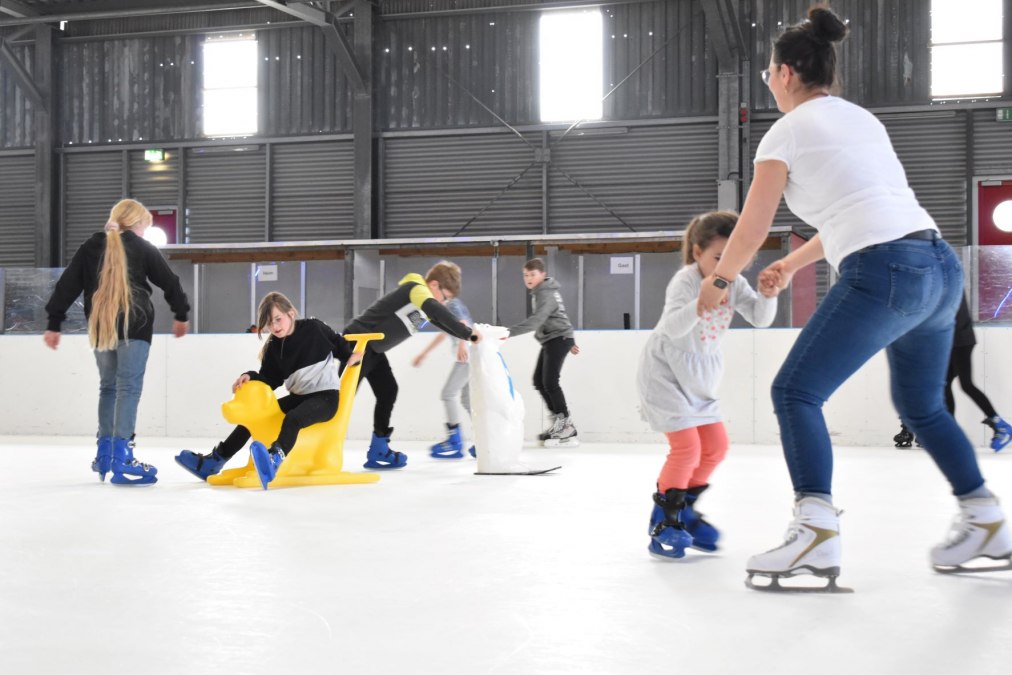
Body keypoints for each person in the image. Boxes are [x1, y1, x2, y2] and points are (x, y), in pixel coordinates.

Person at [696, 5, 1011, 589]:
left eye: (769, 71)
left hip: (886, 268)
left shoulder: (785, 130)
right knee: (922, 407)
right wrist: (790, 263)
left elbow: (754, 221)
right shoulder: (861, 120)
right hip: (939, 267)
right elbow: (863, 210)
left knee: (795, 391)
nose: (768, 79)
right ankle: (986, 518)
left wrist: (719, 280)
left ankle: (814, 528)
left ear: (786, 73)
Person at [639, 211, 778, 559]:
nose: (729, 266)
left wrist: (768, 294)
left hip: (700, 376)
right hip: (666, 373)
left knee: (715, 446)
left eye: (739, 257)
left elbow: (760, 320)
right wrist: (701, 304)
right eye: (720, 257)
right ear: (698, 252)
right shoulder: (686, 281)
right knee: (686, 448)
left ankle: (683, 509)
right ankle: (666, 518)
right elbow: (671, 328)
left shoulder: (737, 283)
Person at [44, 198, 190, 486]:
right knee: (128, 388)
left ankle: (105, 453)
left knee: (108, 387)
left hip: (101, 326)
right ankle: (123, 454)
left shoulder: (90, 246)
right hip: (135, 323)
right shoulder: (140, 246)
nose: (145, 233)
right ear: (137, 224)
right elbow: (169, 281)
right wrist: (181, 313)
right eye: (145, 227)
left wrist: (54, 322)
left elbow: (67, 285)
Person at [175, 292, 362, 488]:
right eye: (269, 324)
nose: (274, 327)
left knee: (293, 419)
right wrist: (250, 376)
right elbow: (269, 380)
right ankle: (214, 461)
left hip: (326, 398)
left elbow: (340, 345)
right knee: (256, 417)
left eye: (278, 319)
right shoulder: (274, 346)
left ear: (291, 314)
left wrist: (351, 356)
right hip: (298, 397)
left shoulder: (314, 329)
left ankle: (274, 459)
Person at [340, 261, 479, 469]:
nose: (444, 303)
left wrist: (465, 336)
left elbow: (438, 320)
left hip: (373, 348)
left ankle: (379, 448)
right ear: (434, 285)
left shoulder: (420, 300)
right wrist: (467, 334)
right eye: (444, 296)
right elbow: (435, 309)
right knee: (341, 399)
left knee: (388, 391)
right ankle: (311, 446)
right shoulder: (417, 289)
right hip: (358, 343)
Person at [894, 293, 1011, 451]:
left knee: (966, 385)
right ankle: (951, 433)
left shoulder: (948, 282)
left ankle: (1000, 426)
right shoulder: (944, 280)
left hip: (960, 341)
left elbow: (946, 315)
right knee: (945, 384)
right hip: (955, 340)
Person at [507, 258, 580, 447]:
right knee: (539, 381)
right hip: (555, 338)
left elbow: (537, 320)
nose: (528, 278)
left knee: (549, 381)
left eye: (532, 274)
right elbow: (558, 315)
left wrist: (508, 332)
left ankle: (565, 424)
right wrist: (570, 340)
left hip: (558, 338)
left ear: (542, 274)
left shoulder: (545, 293)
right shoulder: (541, 291)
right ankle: (560, 422)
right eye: (525, 275)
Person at [412, 295, 475, 459]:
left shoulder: (452, 304)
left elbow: (464, 323)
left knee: (447, 394)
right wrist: (424, 353)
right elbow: (442, 334)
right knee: (468, 401)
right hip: (470, 357)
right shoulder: (449, 308)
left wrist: (462, 342)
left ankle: (455, 441)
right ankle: (484, 440)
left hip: (465, 358)